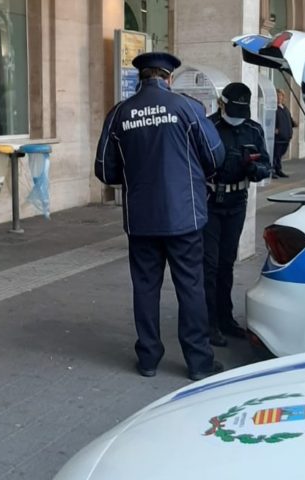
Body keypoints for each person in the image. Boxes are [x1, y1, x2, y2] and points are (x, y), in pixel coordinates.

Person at [95, 52, 226, 381]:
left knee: (145, 287)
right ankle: (198, 362)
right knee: (191, 288)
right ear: (168, 78)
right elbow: (215, 156)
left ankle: (149, 358)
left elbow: (104, 170)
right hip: (185, 217)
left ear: (141, 78)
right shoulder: (187, 108)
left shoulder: (120, 114)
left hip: (141, 219)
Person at [204, 83, 272, 347]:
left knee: (226, 263)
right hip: (210, 201)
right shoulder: (208, 127)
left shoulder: (253, 129)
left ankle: (225, 318)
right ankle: (207, 324)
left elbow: (266, 163)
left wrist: (257, 170)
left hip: (237, 202)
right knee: (208, 265)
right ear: (221, 103)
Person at [272, 89, 296, 178]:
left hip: (286, 136)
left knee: (280, 155)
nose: (279, 98)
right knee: (275, 155)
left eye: (281, 96)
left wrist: (293, 123)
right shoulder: (274, 108)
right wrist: (274, 129)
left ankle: (278, 169)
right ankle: (273, 170)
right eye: (277, 96)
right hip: (278, 138)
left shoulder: (285, 108)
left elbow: (289, 119)